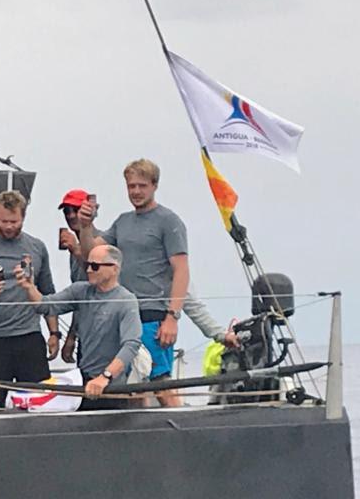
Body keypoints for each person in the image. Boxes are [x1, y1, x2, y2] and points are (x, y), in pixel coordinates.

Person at [79, 159, 237, 407]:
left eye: (142, 185)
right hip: (125, 314)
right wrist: (85, 227)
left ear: (154, 185)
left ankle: (182, 434)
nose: (136, 192)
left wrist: (172, 317)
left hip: (155, 315)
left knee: (159, 381)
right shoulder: (122, 222)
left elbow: (181, 270)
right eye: (131, 186)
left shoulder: (168, 221)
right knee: (132, 385)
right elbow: (92, 254)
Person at [16, 244, 141, 410]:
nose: (89, 270)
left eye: (95, 266)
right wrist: (29, 287)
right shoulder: (80, 291)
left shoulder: (126, 301)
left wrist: (105, 377)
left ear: (114, 269)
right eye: (87, 265)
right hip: (84, 381)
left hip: (111, 387)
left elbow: (131, 344)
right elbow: (45, 306)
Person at [0, 190, 59, 405]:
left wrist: (54, 333)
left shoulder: (37, 247)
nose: (8, 226)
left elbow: (48, 293)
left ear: (23, 217)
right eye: (4, 221)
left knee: (37, 400)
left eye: (14, 221)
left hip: (29, 336)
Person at [56, 189, 98, 364]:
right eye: (67, 211)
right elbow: (80, 296)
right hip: (86, 333)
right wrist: (72, 336)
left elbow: (99, 279)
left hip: (103, 331)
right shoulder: (74, 248)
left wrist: (76, 250)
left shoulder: (103, 241)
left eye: (76, 209)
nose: (71, 215)